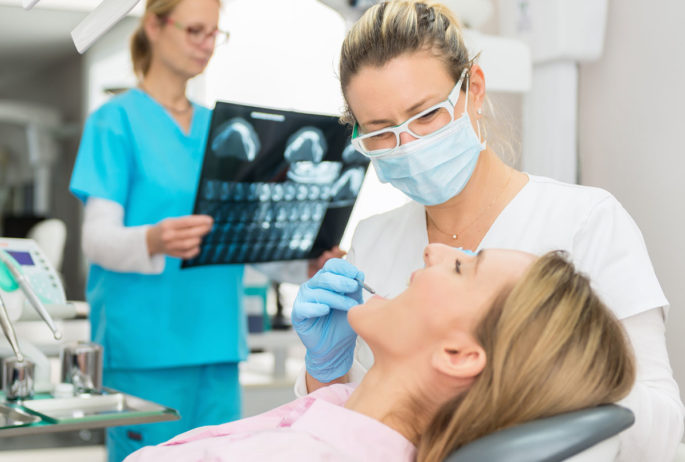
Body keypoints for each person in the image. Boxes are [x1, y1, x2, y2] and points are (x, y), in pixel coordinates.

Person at [290, 1, 684, 461]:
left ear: (473, 89)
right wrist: (325, 373)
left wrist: (529, 367)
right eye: (381, 132)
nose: (409, 146)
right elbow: (351, 433)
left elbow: (662, 430)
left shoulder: (586, 221)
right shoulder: (374, 241)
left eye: (426, 115)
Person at [69, 0, 341, 459]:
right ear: (154, 25)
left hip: (217, 345)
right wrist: (152, 239)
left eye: (215, 33)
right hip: (145, 350)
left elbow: (240, 239)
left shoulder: (223, 130)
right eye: (195, 30)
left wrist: (306, 266)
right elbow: (96, 241)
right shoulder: (115, 121)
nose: (206, 44)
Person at [124, 245, 635, 462]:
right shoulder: (341, 422)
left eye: (463, 267)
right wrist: (326, 371)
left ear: (458, 354)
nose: (434, 251)